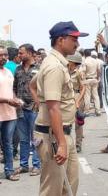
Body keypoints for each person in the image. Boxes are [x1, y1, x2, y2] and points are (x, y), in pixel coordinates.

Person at [34, 21, 88, 195]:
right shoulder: (54, 66)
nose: (77, 44)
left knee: (70, 186)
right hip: (54, 137)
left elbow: (32, 85)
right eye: (74, 39)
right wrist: (62, 144)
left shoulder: (58, 63)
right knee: (52, 190)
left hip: (62, 133)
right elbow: (53, 108)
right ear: (60, 40)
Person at [14, 44, 41, 176]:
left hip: (35, 109)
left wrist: (40, 103)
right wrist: (15, 100)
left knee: (35, 138)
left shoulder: (39, 68)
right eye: (19, 53)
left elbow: (43, 87)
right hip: (20, 109)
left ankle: (36, 165)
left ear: (30, 53)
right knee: (23, 139)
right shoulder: (18, 69)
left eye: (21, 53)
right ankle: (24, 165)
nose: (19, 55)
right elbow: (14, 88)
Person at [0, 46, 22, 181]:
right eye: (0, 55)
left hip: (10, 114)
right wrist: (8, 101)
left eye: (5, 55)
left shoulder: (8, 72)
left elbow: (10, 90)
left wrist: (15, 99)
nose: (3, 57)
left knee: (8, 144)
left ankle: (9, 171)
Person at [67, 52, 86, 153]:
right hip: (66, 98)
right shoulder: (64, 71)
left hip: (76, 96)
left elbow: (83, 88)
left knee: (78, 123)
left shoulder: (79, 72)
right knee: (66, 122)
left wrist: (78, 101)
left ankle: (78, 144)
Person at [83, 49, 101, 116]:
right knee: (96, 96)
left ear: (84, 54)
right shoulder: (96, 61)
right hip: (95, 79)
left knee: (87, 96)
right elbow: (98, 70)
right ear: (90, 54)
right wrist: (98, 78)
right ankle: (98, 111)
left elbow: (83, 71)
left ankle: (87, 111)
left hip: (87, 79)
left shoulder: (85, 61)